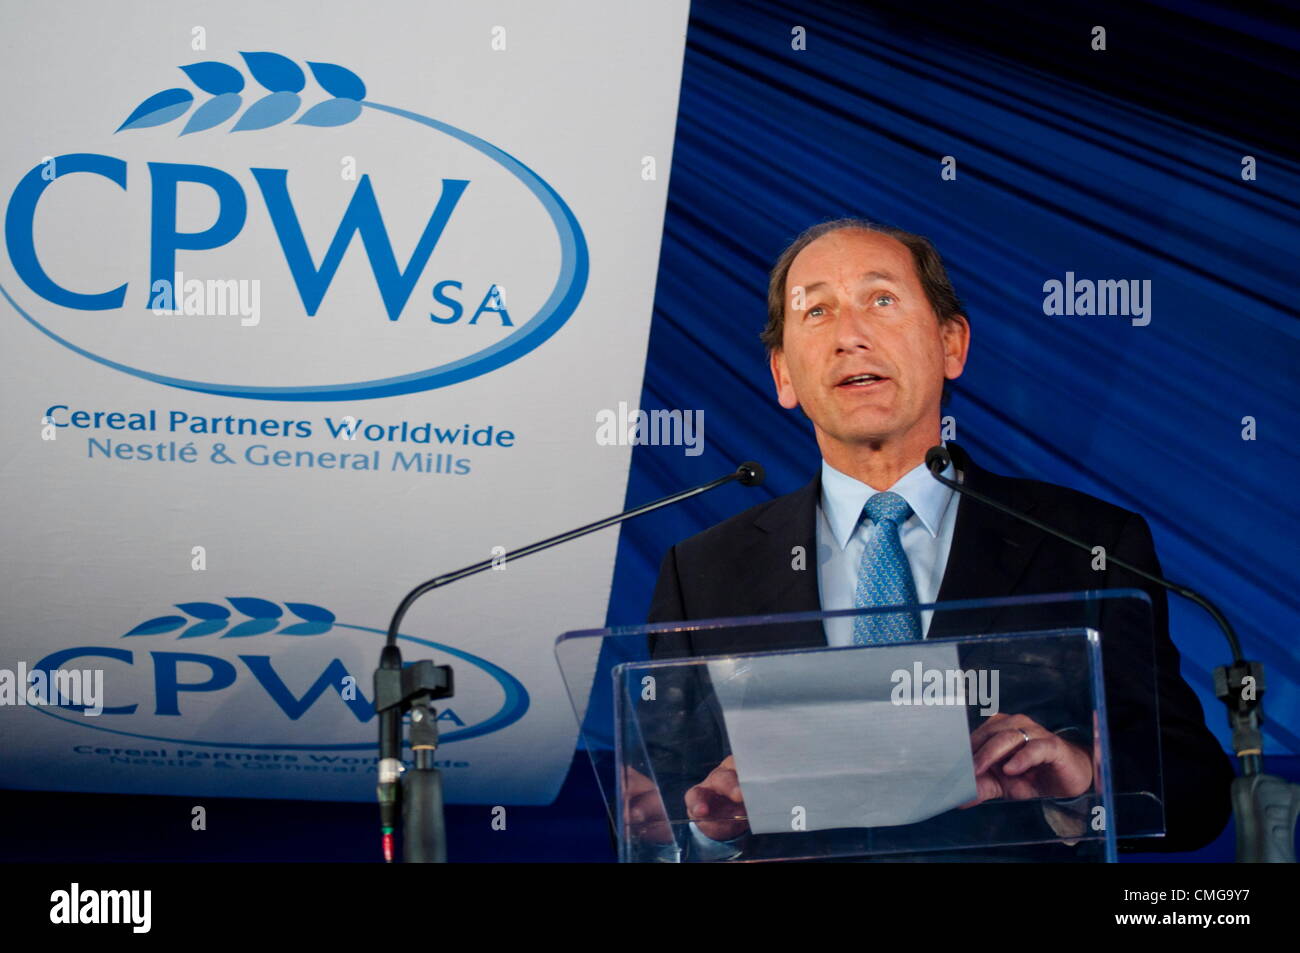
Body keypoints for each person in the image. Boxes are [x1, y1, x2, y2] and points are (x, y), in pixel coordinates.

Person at [641, 219, 1234, 860]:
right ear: (783, 375)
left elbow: (1195, 791)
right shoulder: (701, 571)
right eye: (816, 311)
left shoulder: (1086, 543)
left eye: (882, 300)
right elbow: (658, 807)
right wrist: (705, 828)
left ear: (951, 344)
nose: (850, 336)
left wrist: (1083, 784)